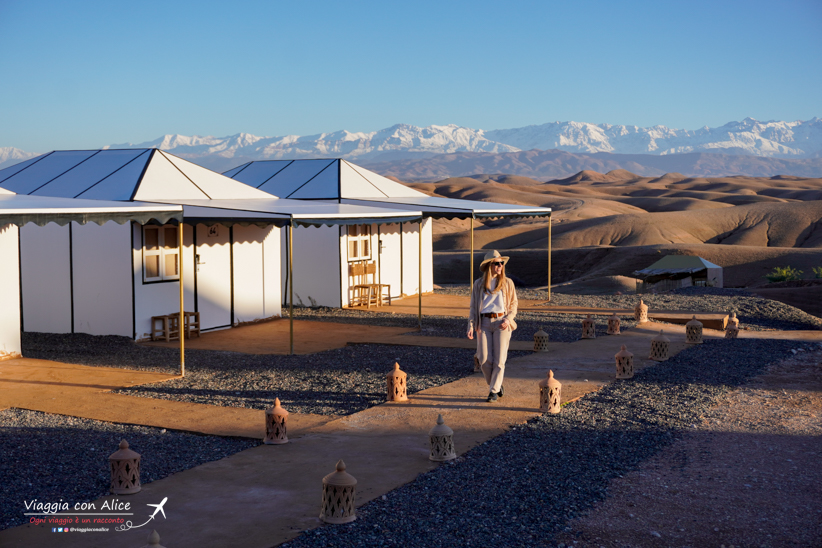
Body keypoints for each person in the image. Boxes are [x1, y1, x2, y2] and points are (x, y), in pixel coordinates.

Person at [467, 250, 518, 402]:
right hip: (483, 323)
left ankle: (493, 391)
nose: (500, 266)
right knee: (483, 359)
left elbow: (514, 304)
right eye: (497, 263)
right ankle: (497, 384)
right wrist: (470, 325)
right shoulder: (479, 284)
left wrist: (508, 319)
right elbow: (473, 307)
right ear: (489, 265)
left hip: (502, 322)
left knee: (500, 359)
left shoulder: (508, 283)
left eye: (501, 263)